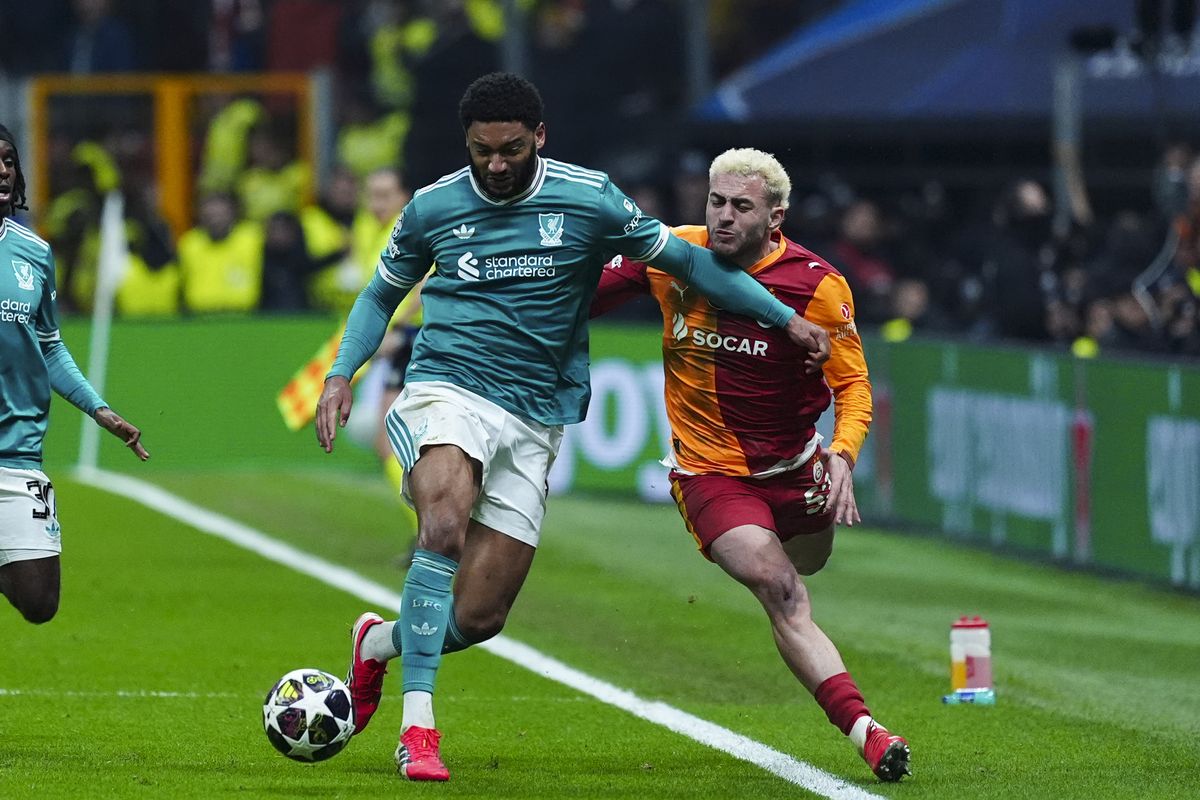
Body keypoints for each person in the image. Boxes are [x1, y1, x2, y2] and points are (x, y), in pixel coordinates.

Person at [314, 72, 829, 781]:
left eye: (510, 150)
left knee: (481, 617)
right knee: (442, 522)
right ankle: (419, 727)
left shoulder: (590, 199)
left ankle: (377, 645)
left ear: (540, 138)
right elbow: (381, 293)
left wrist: (784, 317)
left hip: (534, 415)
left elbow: (693, 265)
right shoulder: (433, 206)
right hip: (448, 387)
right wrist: (341, 373)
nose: (495, 165)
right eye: (481, 152)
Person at [589, 148, 911, 782]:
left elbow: (854, 386)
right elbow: (583, 293)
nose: (724, 218)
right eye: (716, 202)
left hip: (797, 470)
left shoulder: (818, 285)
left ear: (776, 216)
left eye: (742, 206)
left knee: (806, 567)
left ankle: (820, 656)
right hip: (710, 475)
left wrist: (842, 456)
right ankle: (867, 732)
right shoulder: (673, 253)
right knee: (782, 589)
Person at [0, 124, 148, 624]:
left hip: (17, 448)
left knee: (40, 603)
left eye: (8, 160)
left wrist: (100, 410)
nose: (2, 170)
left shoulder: (34, 253)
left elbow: (50, 347)